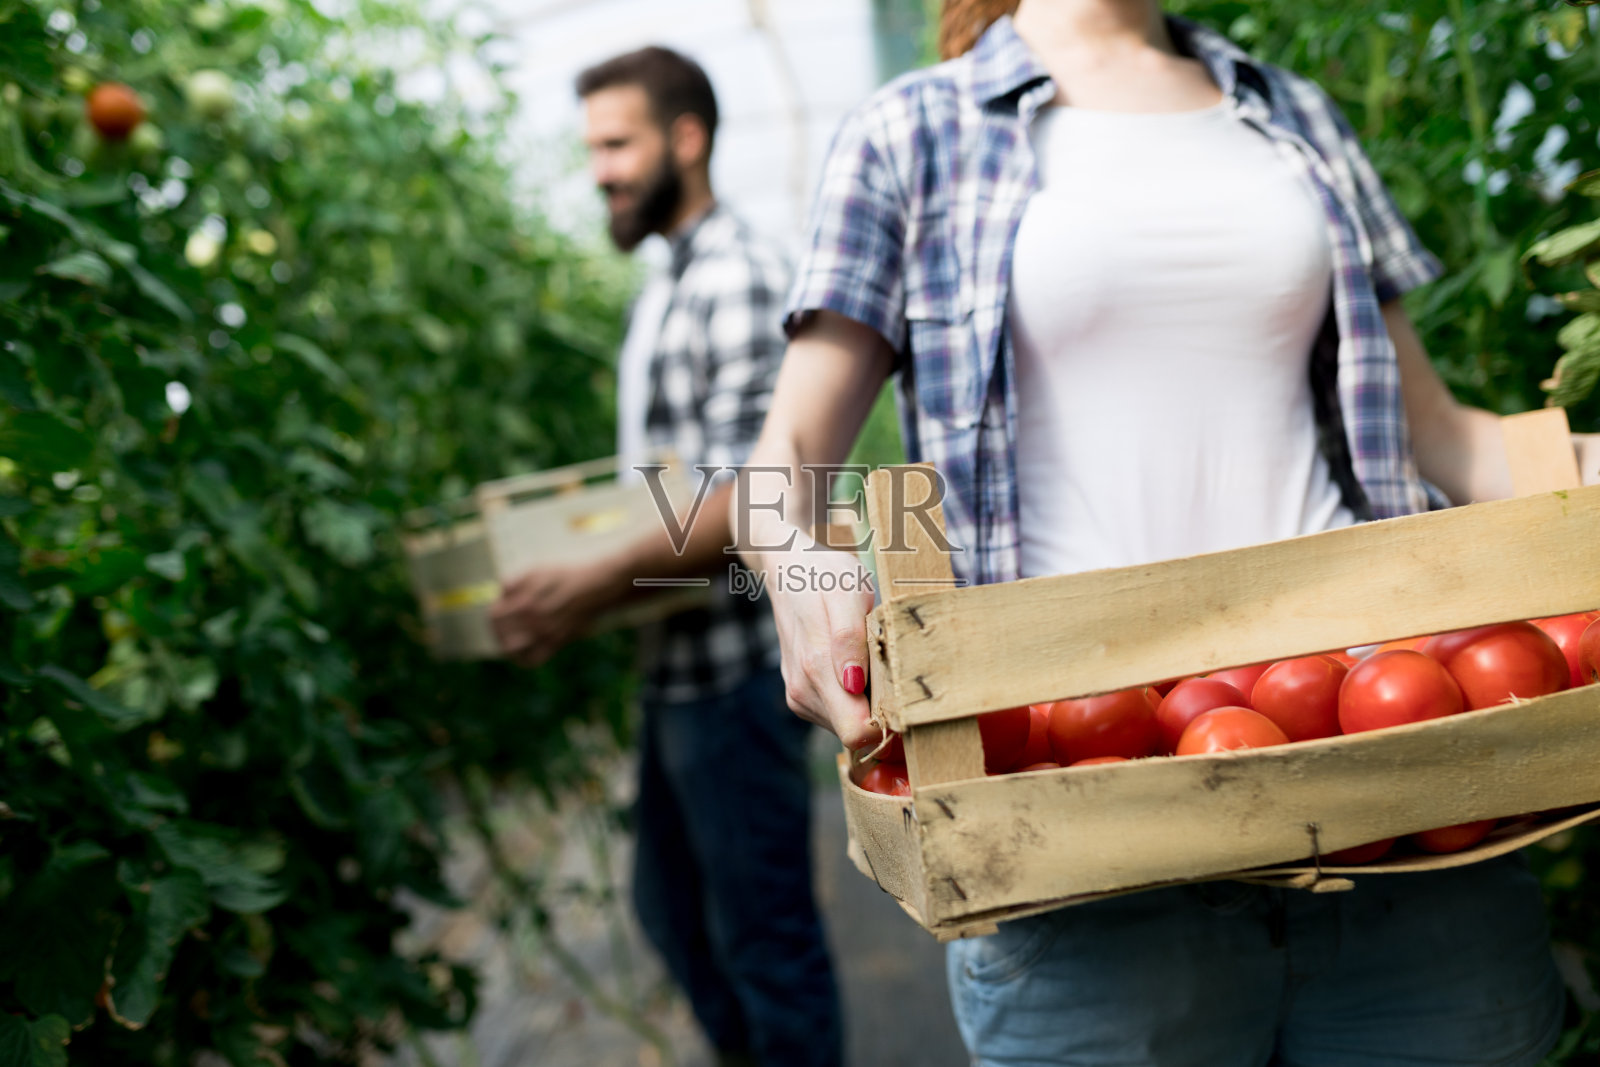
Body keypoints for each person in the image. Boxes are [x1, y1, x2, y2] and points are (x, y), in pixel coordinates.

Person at [733, 1, 1600, 1064]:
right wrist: (795, 561)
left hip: (1391, 774)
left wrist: (1583, 468)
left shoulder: (1292, 116)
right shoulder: (910, 129)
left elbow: (1438, 434)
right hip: (1080, 832)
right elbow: (782, 460)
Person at [489, 46, 842, 1067]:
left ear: (685, 139)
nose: (598, 167)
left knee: (766, 947)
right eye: (591, 144)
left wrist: (585, 587)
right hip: (675, 670)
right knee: (678, 917)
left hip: (732, 672)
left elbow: (749, 498)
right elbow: (673, 483)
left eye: (616, 142)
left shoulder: (735, 276)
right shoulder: (668, 284)